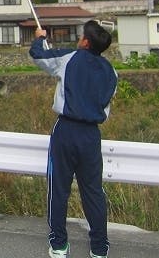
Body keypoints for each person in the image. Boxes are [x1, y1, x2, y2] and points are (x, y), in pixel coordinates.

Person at [29, 20, 118, 258]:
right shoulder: (112, 72)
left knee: (59, 190)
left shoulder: (69, 58)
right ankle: (99, 249)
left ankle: (59, 245)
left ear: (85, 42)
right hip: (91, 135)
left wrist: (39, 38)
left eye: (81, 36)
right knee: (93, 192)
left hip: (65, 130)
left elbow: (39, 56)